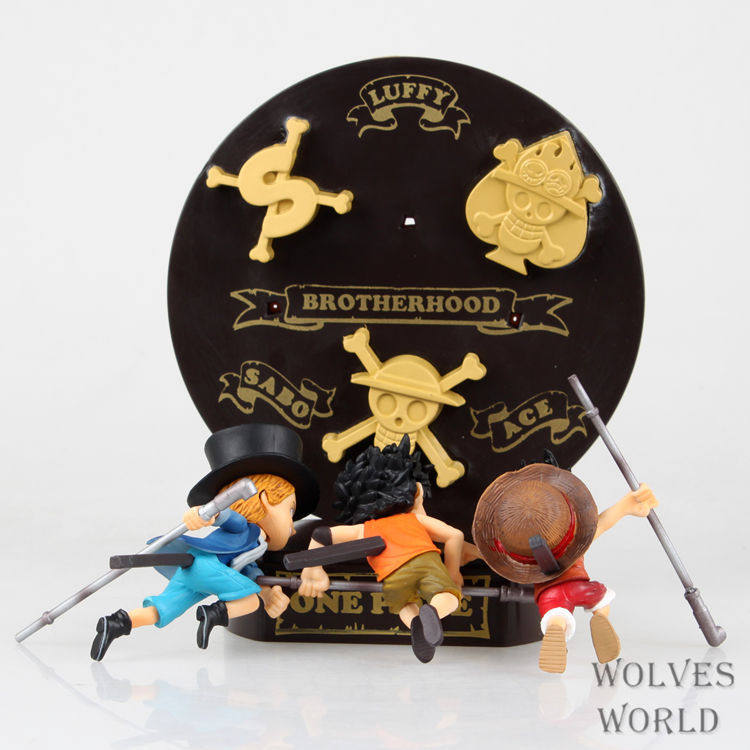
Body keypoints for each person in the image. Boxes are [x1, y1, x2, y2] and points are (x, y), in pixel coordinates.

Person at [91, 424, 318, 660]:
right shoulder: (245, 528)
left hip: (192, 571)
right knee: (249, 600)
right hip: (207, 567)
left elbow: (247, 570)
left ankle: (116, 623)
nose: (293, 528)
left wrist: (269, 594)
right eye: (290, 511)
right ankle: (214, 613)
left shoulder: (256, 545)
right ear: (265, 500)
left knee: (161, 609)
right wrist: (208, 513)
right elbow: (227, 518)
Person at [473, 463, 657, 673]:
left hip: (550, 595)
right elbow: (603, 523)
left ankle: (556, 628)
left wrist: (468, 551)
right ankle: (600, 617)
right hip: (580, 586)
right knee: (601, 600)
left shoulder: (521, 555)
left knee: (555, 615)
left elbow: (484, 554)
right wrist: (626, 505)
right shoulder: (575, 545)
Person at [299, 436, 464, 663]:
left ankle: (416, 624)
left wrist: (313, 569)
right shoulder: (414, 520)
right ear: (415, 492)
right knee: (449, 597)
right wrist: (452, 572)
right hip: (424, 562)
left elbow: (321, 534)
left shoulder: (365, 528)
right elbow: (455, 535)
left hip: (392, 574)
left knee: (406, 605)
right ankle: (434, 611)